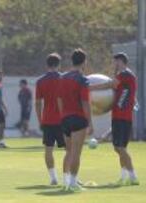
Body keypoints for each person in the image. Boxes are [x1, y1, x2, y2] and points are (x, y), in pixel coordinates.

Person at [90, 52, 139, 186]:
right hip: (124, 117)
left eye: (116, 61)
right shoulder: (129, 76)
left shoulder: (125, 75)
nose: (114, 64)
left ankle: (133, 176)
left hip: (121, 117)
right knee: (120, 148)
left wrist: (90, 87)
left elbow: (109, 85)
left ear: (121, 61)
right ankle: (123, 177)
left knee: (119, 148)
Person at [58, 48, 93, 192]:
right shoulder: (83, 79)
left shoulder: (63, 77)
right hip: (78, 118)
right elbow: (85, 102)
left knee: (69, 151)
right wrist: (90, 122)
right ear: (84, 62)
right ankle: (72, 183)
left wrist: (62, 115)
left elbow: (59, 98)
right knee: (76, 153)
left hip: (65, 118)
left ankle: (66, 180)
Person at [35, 53, 67, 185]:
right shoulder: (64, 79)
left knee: (48, 149)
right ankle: (69, 177)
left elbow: (37, 103)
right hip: (63, 120)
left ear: (47, 64)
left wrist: (40, 120)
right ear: (59, 64)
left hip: (47, 120)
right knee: (69, 150)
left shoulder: (40, 81)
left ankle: (53, 178)